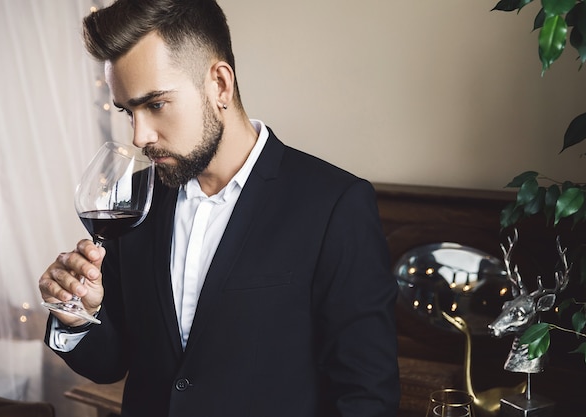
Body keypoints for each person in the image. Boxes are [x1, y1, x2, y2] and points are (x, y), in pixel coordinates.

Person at [38, 0, 400, 416]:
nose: (139, 135)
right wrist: (78, 317)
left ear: (220, 85)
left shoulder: (335, 204)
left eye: (154, 104)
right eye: (127, 111)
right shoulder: (133, 201)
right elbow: (110, 363)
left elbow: (366, 395)